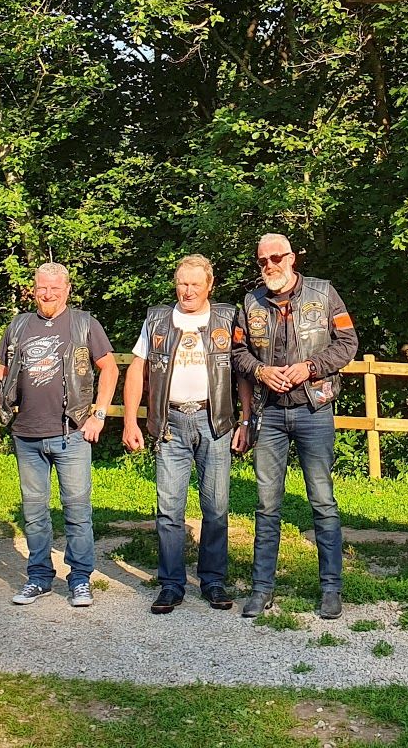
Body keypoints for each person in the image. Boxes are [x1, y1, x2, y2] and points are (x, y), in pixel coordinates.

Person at [232, 234, 358, 620]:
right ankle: (261, 589)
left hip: (313, 409)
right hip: (268, 414)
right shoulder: (250, 303)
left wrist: (311, 367)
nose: (269, 265)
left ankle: (331, 589)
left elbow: (348, 342)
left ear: (292, 258)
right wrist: (261, 371)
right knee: (267, 504)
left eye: (276, 258)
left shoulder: (323, 294)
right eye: (262, 261)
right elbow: (237, 353)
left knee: (322, 501)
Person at [0, 262, 118, 608]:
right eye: (42, 287)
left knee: (77, 510)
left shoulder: (84, 324)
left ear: (67, 290)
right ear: (34, 288)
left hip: (72, 433)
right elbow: (0, 375)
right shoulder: (20, 325)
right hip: (26, 434)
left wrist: (98, 415)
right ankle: (39, 577)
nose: (48, 294)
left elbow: (110, 369)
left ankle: (80, 579)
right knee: (35, 511)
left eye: (55, 288)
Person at [122, 254, 253, 614]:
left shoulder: (228, 318)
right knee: (169, 510)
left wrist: (245, 420)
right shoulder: (157, 320)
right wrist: (130, 420)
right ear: (175, 284)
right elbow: (138, 370)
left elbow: (242, 373)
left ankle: (213, 581)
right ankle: (170, 584)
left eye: (196, 284)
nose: (189, 290)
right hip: (171, 425)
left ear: (210, 285)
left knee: (216, 508)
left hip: (216, 424)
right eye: (183, 283)